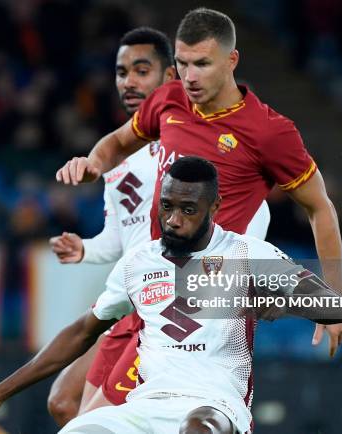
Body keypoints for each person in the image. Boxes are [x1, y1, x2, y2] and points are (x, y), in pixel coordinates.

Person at [0, 157, 342, 434]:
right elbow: (82, 332)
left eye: (188, 210)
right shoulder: (139, 262)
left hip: (215, 406)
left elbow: (328, 303)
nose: (173, 220)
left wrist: (285, 304)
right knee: (78, 429)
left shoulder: (247, 254)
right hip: (146, 405)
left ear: (215, 208)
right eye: (166, 205)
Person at [55, 8, 342, 355]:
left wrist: (335, 296)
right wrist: (94, 162)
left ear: (232, 60)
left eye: (202, 64)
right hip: (151, 279)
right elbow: (119, 142)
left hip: (205, 301)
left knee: (133, 399)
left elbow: (319, 208)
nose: (190, 76)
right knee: (66, 400)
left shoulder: (269, 132)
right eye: (182, 63)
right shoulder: (169, 99)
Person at [47, 27, 271, 426]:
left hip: (176, 306)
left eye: (141, 70)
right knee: (63, 404)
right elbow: (119, 239)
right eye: (121, 72)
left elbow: (248, 210)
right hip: (133, 294)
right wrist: (86, 249)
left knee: (104, 416)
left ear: (171, 78)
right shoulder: (117, 158)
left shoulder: (188, 151)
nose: (128, 81)